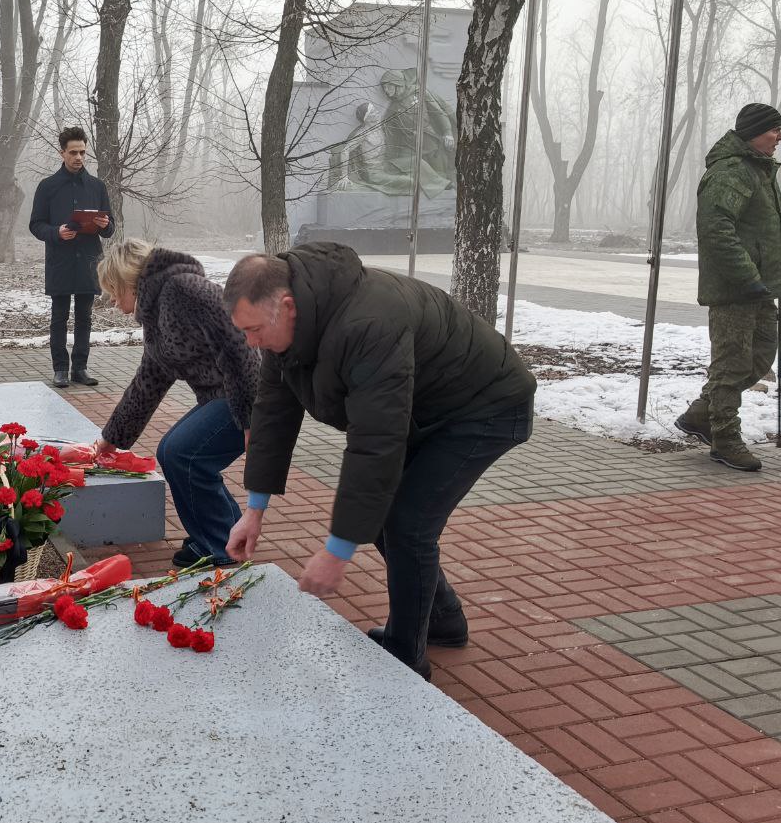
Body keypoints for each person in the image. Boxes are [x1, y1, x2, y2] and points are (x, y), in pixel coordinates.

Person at [222, 243, 536, 681]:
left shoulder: (367, 323)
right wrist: (253, 511)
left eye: (253, 329)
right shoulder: (288, 332)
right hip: (425, 410)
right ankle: (443, 619)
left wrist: (337, 551)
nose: (250, 342)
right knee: (393, 520)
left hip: (485, 407)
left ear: (287, 306)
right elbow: (273, 413)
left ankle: (407, 658)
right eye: (244, 332)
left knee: (407, 524)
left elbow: (375, 443)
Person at [94, 239, 258, 568]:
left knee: (182, 454)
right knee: (176, 451)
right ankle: (224, 535)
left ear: (129, 280)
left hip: (251, 393)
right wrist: (111, 439)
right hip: (223, 394)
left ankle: (218, 545)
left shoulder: (182, 289)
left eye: (114, 290)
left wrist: (251, 420)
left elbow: (239, 347)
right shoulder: (157, 311)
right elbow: (148, 382)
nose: (113, 302)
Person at [674, 103, 781, 472]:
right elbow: (716, 229)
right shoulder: (732, 172)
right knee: (731, 365)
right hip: (736, 289)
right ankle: (725, 439)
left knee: (760, 357)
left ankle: (698, 416)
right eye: (775, 130)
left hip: (759, 287)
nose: (780, 138)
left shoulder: (758, 171)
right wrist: (747, 277)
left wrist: (771, 278)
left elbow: (760, 233)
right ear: (756, 132)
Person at [28, 127, 115, 388]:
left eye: (83, 152)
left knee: (85, 317)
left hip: (89, 261)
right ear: (62, 153)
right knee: (59, 317)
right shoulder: (48, 187)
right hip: (61, 261)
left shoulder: (97, 186)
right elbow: (36, 225)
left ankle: (80, 368)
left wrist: (103, 223)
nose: (79, 157)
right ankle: (60, 370)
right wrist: (56, 232)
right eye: (73, 152)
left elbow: (110, 229)